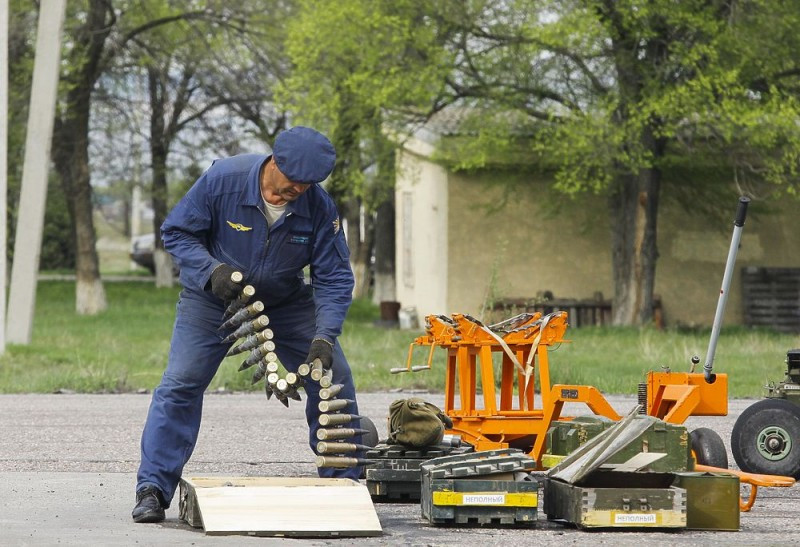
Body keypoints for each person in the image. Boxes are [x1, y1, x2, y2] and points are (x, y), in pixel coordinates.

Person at [132, 126, 361, 523]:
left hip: (286, 302)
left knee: (333, 377)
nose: (296, 193)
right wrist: (211, 270)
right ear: (274, 162)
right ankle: (152, 488)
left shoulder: (320, 208)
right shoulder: (223, 180)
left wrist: (324, 334)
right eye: (291, 184)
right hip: (211, 298)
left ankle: (345, 484)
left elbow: (335, 278)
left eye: (306, 186)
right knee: (181, 382)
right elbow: (177, 231)